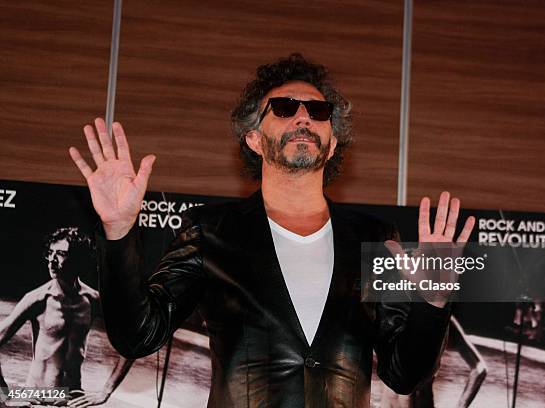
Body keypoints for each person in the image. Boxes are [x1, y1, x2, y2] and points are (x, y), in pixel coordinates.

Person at [69, 53, 475, 407]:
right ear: (254, 139)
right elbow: (138, 336)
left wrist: (433, 303)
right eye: (284, 108)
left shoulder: (374, 237)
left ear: (332, 143)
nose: (303, 117)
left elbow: (403, 373)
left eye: (318, 112)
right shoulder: (210, 230)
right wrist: (119, 232)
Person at [0, 228, 133, 407]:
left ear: (78, 259)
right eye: (50, 253)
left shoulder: (93, 300)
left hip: (72, 397)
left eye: (61, 254)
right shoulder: (38, 298)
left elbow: (131, 342)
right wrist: (6, 396)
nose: (52, 261)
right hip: (38, 397)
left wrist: (105, 392)